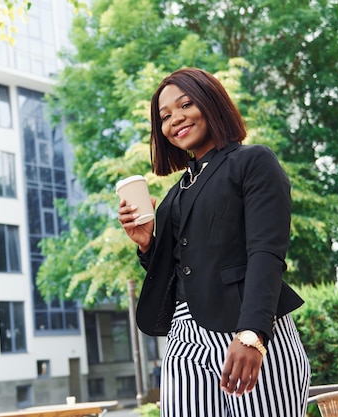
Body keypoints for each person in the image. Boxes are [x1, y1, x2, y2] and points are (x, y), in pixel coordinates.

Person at [118, 68, 310, 416]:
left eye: (186, 104)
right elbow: (178, 272)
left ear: (211, 102)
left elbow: (266, 252)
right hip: (184, 335)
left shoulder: (252, 161)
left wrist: (252, 334)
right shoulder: (175, 194)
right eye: (164, 117)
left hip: (248, 323)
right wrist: (147, 245)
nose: (175, 119)